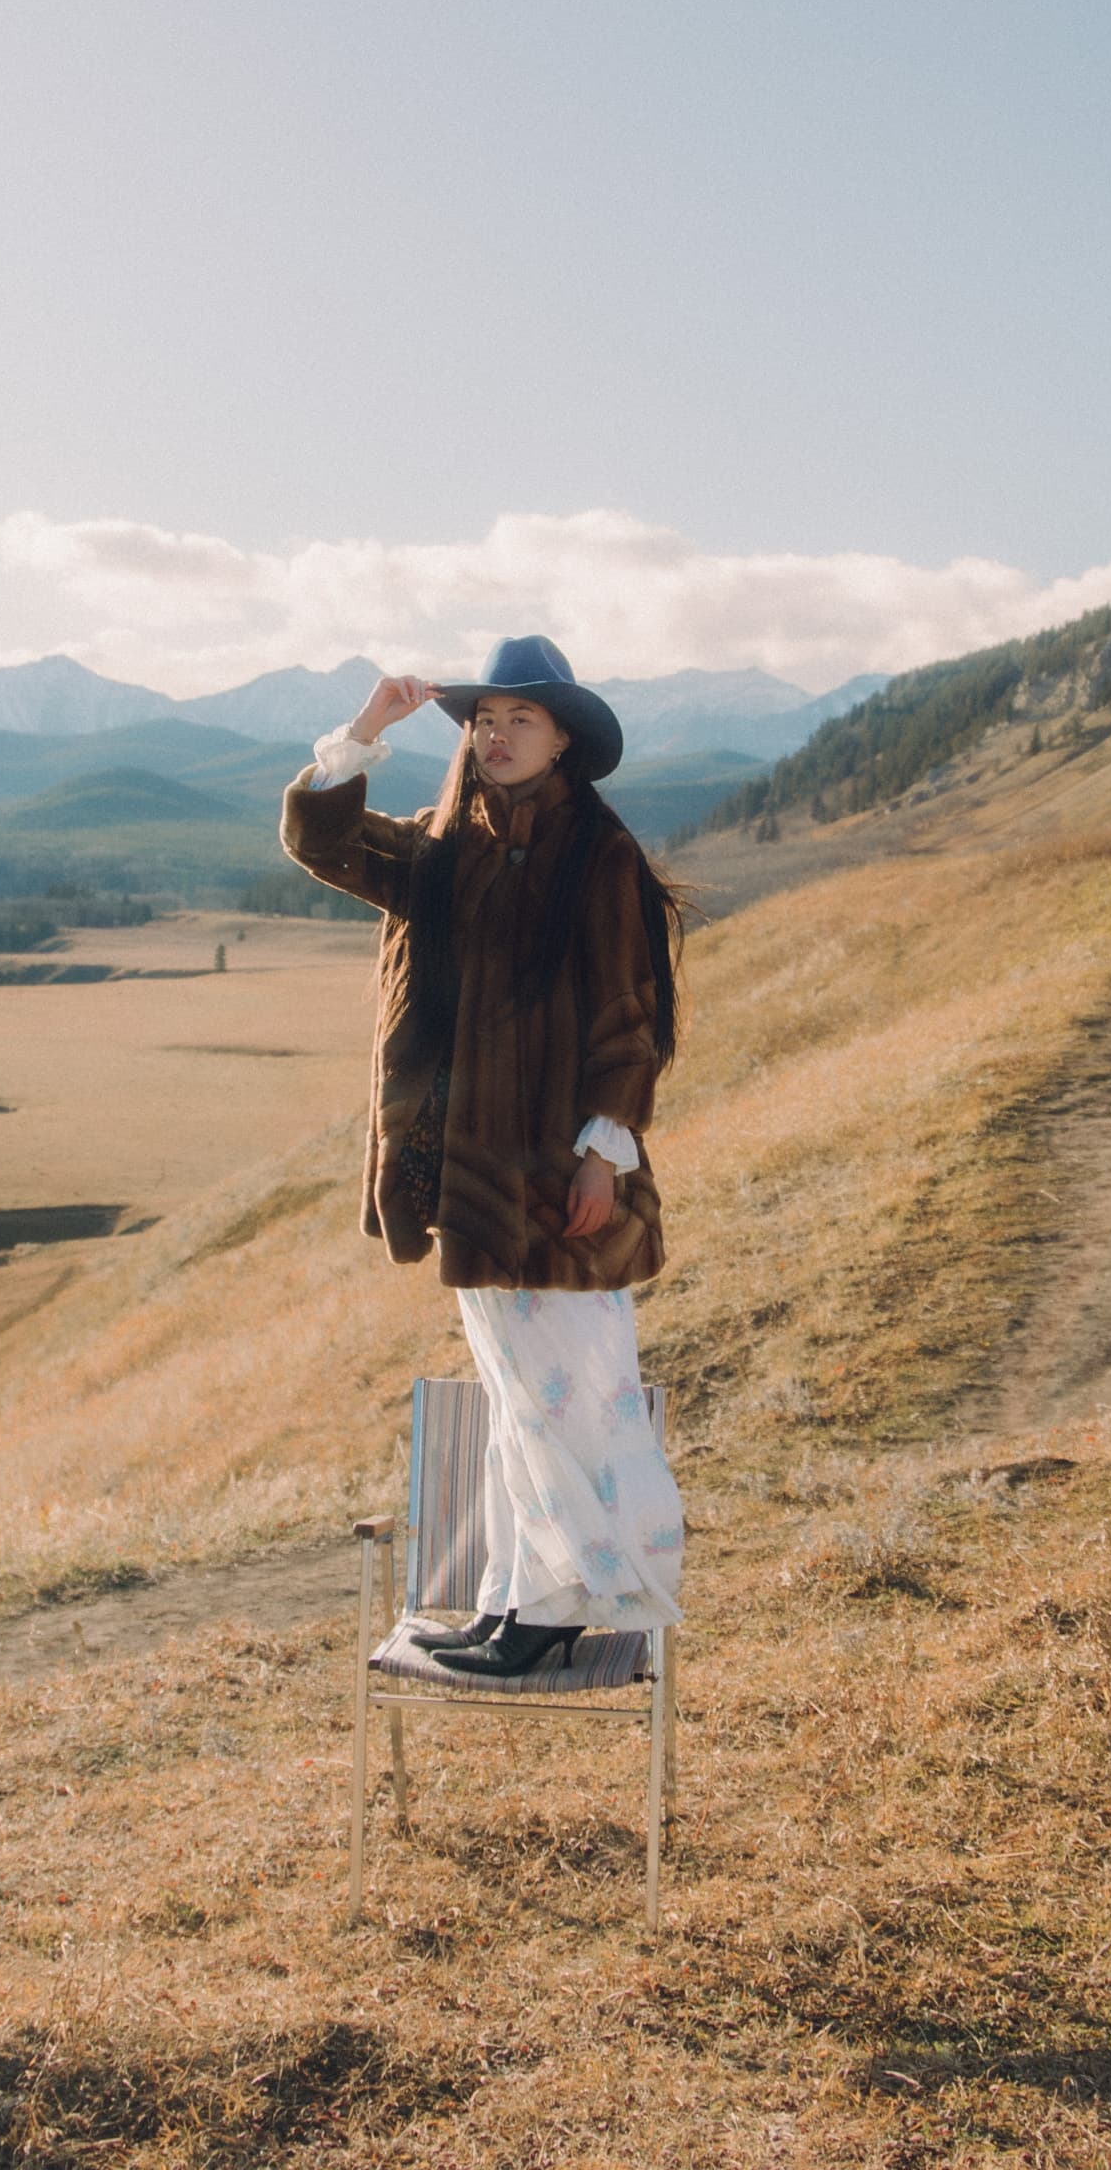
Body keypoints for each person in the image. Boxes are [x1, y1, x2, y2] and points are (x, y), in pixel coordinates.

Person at [280, 635, 686, 1677]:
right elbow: (323, 843)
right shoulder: (444, 846)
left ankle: (559, 1609)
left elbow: (630, 1021)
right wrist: (365, 729)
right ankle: (517, 1598)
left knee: (575, 1397)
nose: (497, 736)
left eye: (522, 720)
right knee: (520, 1405)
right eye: (483, 720)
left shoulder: (599, 857)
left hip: (558, 1183)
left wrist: (603, 1155)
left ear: (562, 741)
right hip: (469, 1183)